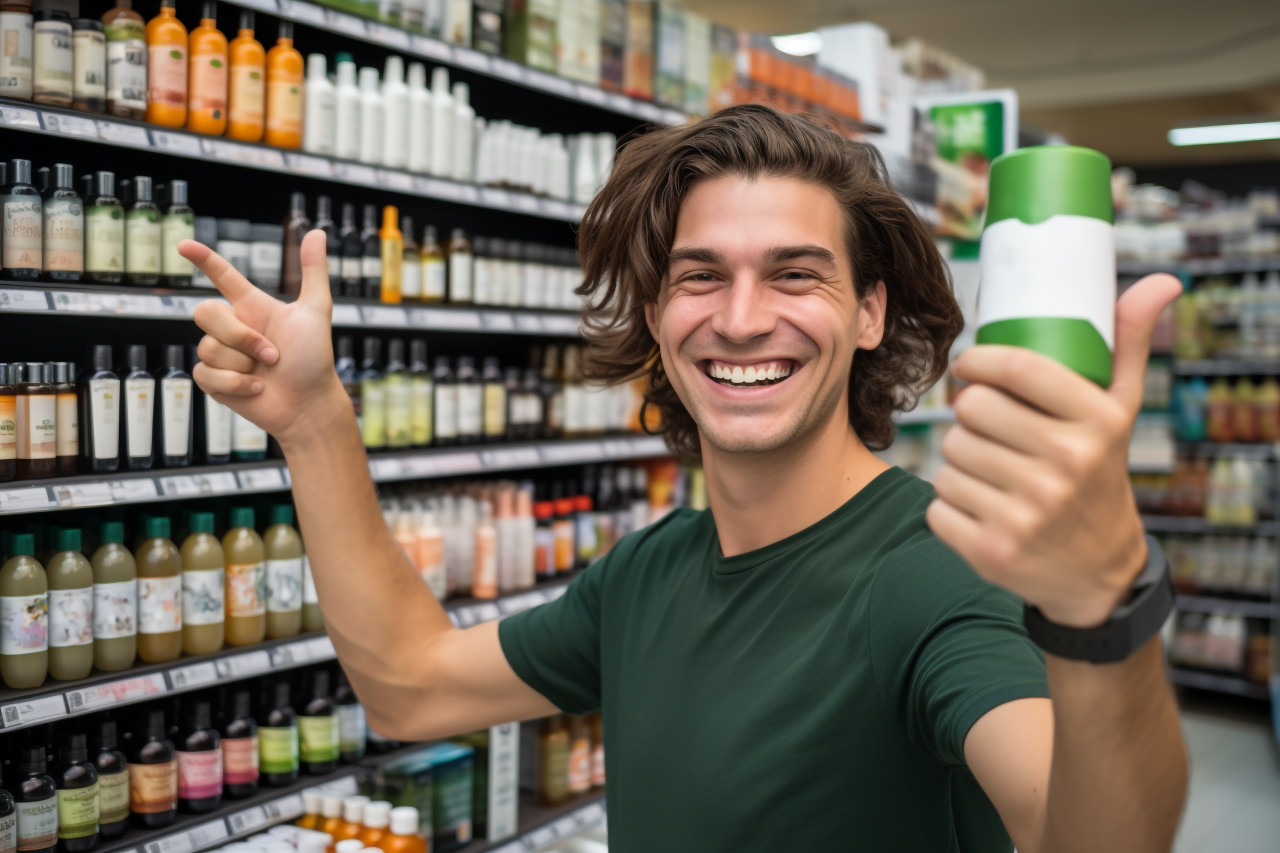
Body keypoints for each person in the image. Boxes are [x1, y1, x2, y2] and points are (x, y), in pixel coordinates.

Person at [181, 104, 1187, 852]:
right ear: (658, 318)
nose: (741, 317)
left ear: (870, 312)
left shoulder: (930, 576)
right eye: (699, 275)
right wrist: (314, 421)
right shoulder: (643, 575)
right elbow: (407, 685)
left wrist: (1101, 607)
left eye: (794, 274)